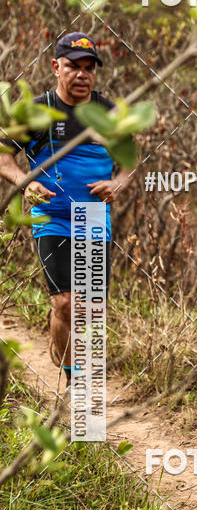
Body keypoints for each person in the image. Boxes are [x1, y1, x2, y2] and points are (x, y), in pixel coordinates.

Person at [0, 32, 130, 389]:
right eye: (73, 66)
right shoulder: (38, 112)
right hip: (52, 217)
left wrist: (118, 182)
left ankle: (70, 351)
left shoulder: (109, 112)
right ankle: (76, 384)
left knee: (90, 309)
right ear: (56, 67)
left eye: (89, 68)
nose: (82, 74)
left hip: (93, 219)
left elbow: (130, 162)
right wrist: (26, 182)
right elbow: (3, 155)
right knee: (65, 301)